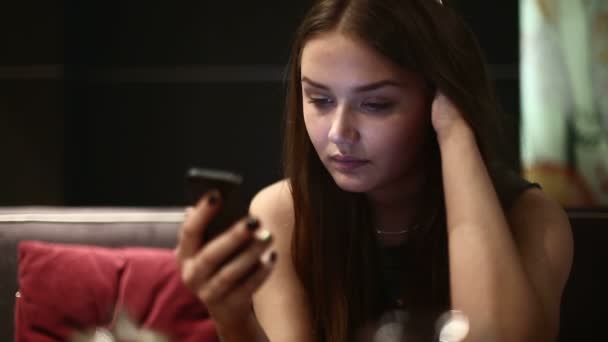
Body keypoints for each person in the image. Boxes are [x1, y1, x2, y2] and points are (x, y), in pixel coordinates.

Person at [175, 0, 574, 341]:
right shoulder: (283, 215)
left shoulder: (531, 219)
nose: (338, 132)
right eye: (319, 98)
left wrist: (455, 133)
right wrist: (233, 318)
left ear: (439, 98)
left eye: (375, 104)